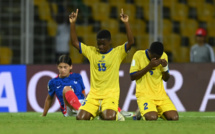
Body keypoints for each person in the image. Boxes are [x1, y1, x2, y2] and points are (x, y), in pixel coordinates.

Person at [69, 9, 134, 120]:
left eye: (103, 44)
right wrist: (72, 23)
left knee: (109, 117)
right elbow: (75, 42)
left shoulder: (117, 53)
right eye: (99, 44)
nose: (101, 47)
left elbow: (131, 42)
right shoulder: (92, 52)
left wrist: (126, 23)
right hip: (94, 95)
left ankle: (113, 113)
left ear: (110, 42)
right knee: (80, 118)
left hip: (110, 95)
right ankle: (99, 111)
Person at [130, 41, 179, 121]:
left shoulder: (164, 56)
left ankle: (145, 110)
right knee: (152, 118)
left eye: (158, 57)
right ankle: (141, 111)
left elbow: (166, 79)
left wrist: (165, 68)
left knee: (174, 118)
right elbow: (132, 76)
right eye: (155, 57)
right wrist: (149, 66)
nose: (157, 59)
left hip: (161, 96)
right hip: (145, 95)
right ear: (150, 51)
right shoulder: (138, 55)